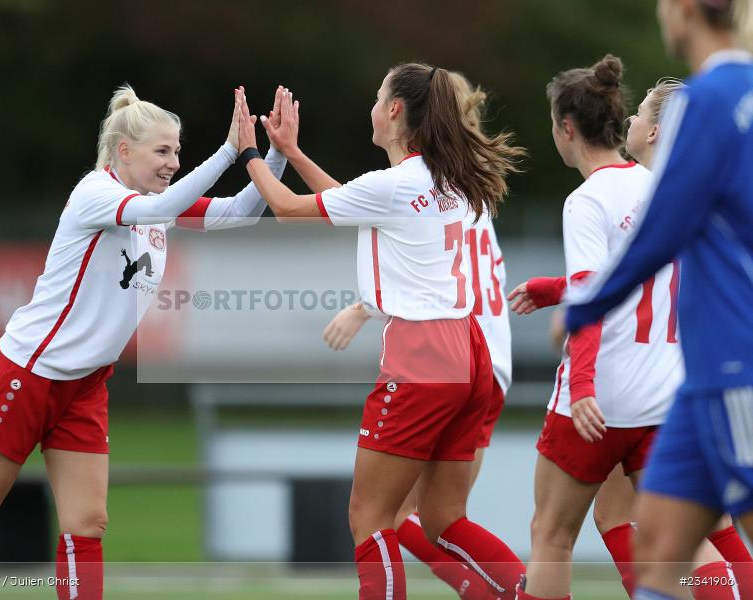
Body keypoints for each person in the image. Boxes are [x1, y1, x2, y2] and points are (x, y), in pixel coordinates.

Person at [0, 84, 290, 600]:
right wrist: (231, 151)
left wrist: (272, 153)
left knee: (87, 522)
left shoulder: (154, 204)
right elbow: (163, 203)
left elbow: (238, 215)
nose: (173, 162)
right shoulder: (96, 194)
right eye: (162, 152)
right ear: (124, 152)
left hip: (84, 384)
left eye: (177, 152)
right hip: (30, 372)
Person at [236, 63, 526, 600]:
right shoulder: (448, 175)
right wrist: (293, 154)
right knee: (445, 520)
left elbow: (284, 207)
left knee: (370, 517)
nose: (372, 107)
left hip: (423, 352)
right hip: (473, 350)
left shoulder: (398, 184)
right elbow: (356, 204)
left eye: (377, 97)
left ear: (394, 110)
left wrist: (248, 152)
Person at [509, 75, 752, 597]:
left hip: (602, 398)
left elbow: (595, 293)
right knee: (672, 533)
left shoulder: (588, 199)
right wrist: (555, 289)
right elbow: (644, 276)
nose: (637, 121)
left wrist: (583, 387)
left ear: (565, 129)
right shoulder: (673, 193)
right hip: (664, 393)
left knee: (551, 536)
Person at [563, 1, 753, 598]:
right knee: (659, 551)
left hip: (733, 371)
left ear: (685, 11)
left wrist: (584, 306)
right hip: (696, 382)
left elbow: (661, 234)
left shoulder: (707, 100)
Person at [322, 71, 514, 600]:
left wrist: (365, 306)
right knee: (441, 520)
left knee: (388, 515)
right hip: (486, 359)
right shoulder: (462, 186)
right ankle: (518, 591)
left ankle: (502, 591)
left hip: (446, 351)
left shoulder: (428, 185)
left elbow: (421, 266)